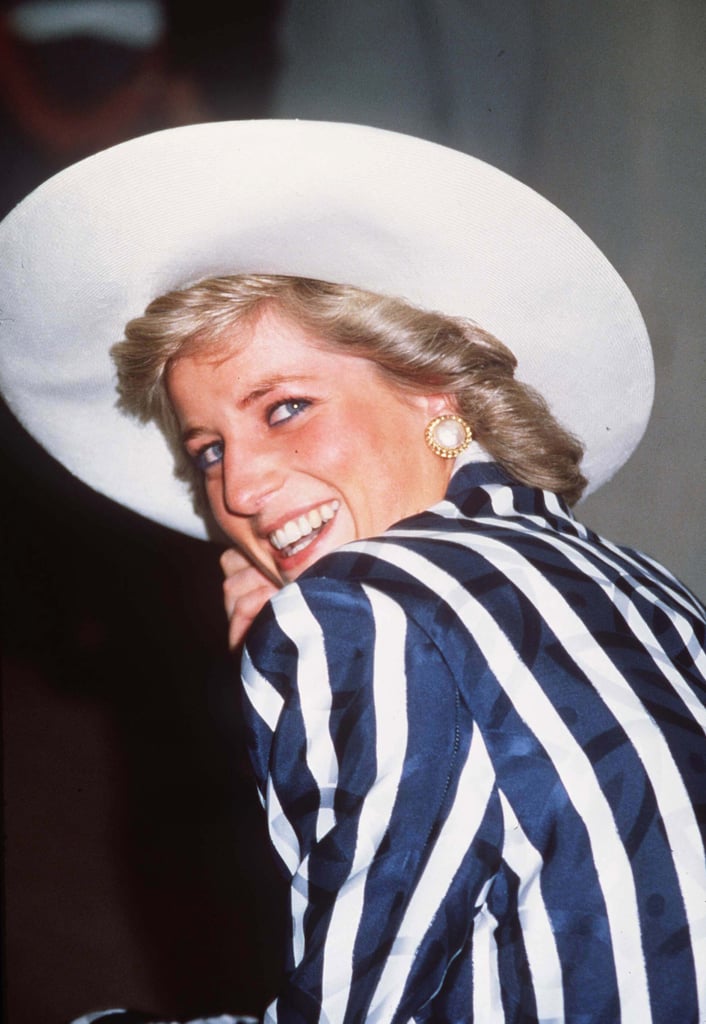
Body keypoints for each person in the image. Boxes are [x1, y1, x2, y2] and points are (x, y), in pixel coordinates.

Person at [1, 120, 704, 1023]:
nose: (240, 489)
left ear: (433, 393)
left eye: (285, 407)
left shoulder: (365, 612)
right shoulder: (642, 585)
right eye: (209, 451)